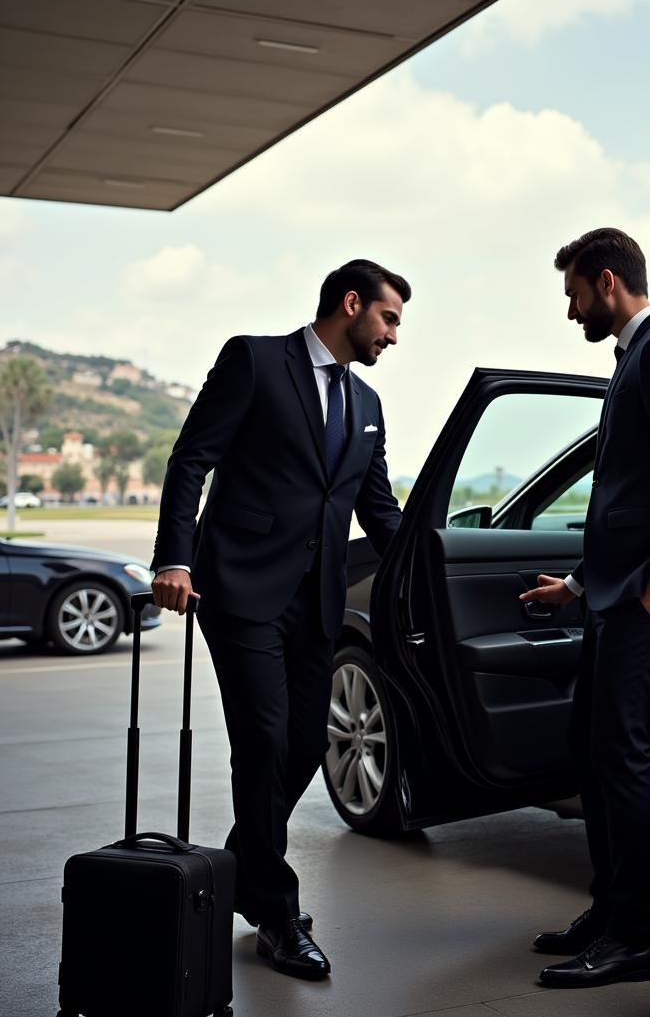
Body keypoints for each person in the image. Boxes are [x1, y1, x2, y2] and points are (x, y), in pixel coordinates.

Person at [151, 260, 408, 979]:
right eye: (388, 318)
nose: (393, 336)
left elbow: (378, 508)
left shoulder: (369, 405)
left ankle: (240, 869)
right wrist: (175, 558)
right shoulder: (255, 359)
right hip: (238, 589)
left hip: (318, 598)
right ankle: (277, 913)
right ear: (351, 304)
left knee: (302, 746)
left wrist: (435, 564)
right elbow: (191, 458)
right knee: (264, 740)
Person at [520, 228, 650, 989]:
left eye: (573, 295)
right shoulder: (633, 358)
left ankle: (635, 940)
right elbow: (625, 500)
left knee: (623, 763)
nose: (571, 312)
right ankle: (608, 910)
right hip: (614, 598)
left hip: (646, 605)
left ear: (606, 282)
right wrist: (573, 585)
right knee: (595, 757)